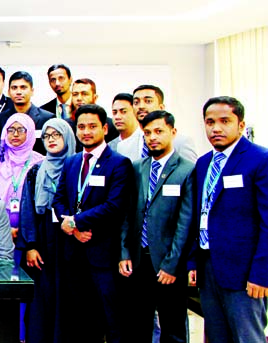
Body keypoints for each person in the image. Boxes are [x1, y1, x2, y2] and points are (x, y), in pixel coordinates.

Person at [189, 96, 268, 343]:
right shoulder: (203, 164)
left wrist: (262, 273)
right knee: (215, 337)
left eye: (225, 121)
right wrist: (193, 262)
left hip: (245, 272)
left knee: (247, 337)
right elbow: (199, 215)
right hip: (209, 266)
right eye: (210, 122)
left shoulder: (259, 159)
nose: (216, 128)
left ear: (241, 125)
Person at [52, 104, 133, 343]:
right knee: (80, 317)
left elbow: (114, 206)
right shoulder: (72, 162)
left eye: (92, 126)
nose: (86, 131)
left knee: (111, 318)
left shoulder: (119, 163)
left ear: (105, 128)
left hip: (102, 254)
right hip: (74, 252)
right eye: (81, 127)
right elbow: (59, 199)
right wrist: (73, 228)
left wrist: (75, 221)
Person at [118, 111, 193, 343]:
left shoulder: (187, 170)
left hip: (168, 264)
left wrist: (172, 264)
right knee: (138, 325)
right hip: (139, 261)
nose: (153, 137)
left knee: (173, 328)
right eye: (147, 133)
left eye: (159, 131)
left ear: (173, 132)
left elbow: (185, 222)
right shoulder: (137, 167)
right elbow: (126, 215)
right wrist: (124, 253)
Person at [17, 118, 76, 343]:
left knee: (67, 297)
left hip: (70, 239)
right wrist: (30, 245)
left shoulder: (77, 167)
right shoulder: (36, 170)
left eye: (56, 135)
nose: (51, 140)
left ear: (67, 137)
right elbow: (27, 209)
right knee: (42, 297)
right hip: (43, 238)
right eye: (47, 136)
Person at [0, 113, 45, 241]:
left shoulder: (40, 163)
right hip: (0, 230)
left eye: (21, 130)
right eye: (11, 130)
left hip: (33, 230)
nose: (15, 134)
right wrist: (4, 227)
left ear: (29, 133)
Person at [0, 71, 54, 155]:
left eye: (23, 87)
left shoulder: (47, 118)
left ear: (32, 91)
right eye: (14, 88)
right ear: (8, 92)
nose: (18, 92)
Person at [132, 85, 198, 162]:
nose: (141, 106)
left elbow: (188, 171)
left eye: (148, 101)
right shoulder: (124, 145)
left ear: (161, 108)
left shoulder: (181, 142)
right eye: (136, 102)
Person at [108, 93, 142, 161]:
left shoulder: (146, 141)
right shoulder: (110, 147)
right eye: (115, 113)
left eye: (123, 112)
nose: (117, 117)